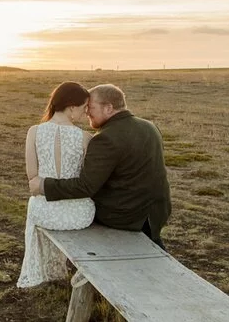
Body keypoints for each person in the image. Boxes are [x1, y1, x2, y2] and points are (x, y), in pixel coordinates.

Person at [29, 84, 171, 248]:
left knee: (79, 209)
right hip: (157, 212)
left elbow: (85, 186)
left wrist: (43, 185)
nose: (87, 112)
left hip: (123, 216)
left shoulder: (106, 138)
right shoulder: (150, 126)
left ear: (109, 108)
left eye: (91, 107)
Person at [16, 82, 95, 288]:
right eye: (83, 107)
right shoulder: (86, 138)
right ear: (71, 107)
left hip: (46, 213)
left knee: (34, 204)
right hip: (79, 215)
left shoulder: (34, 132)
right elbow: (86, 181)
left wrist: (43, 184)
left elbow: (32, 180)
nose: (85, 112)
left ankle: (45, 270)